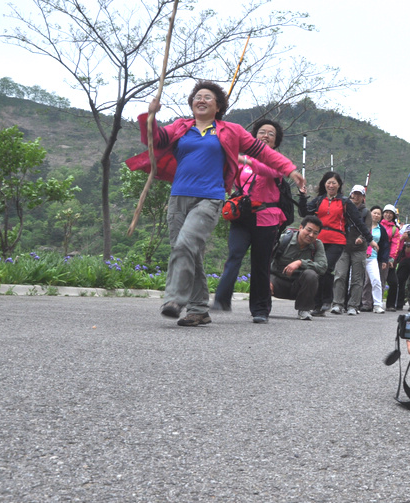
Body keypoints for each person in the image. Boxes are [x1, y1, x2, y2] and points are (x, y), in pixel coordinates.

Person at [126, 81, 305, 326]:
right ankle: (199, 309)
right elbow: (155, 140)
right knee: (191, 252)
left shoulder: (230, 130)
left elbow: (262, 152)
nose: (201, 100)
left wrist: (289, 169)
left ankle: (174, 299)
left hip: (210, 197)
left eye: (208, 97)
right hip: (178, 197)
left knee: (185, 244)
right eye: (197, 96)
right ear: (191, 103)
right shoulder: (181, 126)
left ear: (218, 106)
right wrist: (151, 116)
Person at [212, 119, 298, 323]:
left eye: (271, 134)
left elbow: (272, 171)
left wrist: (248, 161)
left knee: (260, 265)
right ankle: (222, 298)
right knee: (235, 255)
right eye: (261, 132)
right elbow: (229, 179)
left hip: (267, 219)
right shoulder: (242, 160)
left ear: (276, 142)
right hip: (243, 216)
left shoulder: (277, 161)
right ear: (254, 137)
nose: (265, 136)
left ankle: (260, 309)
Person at [298, 172, 372, 316]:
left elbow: (358, 221)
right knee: (317, 271)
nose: (331, 185)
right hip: (318, 240)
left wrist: (369, 239)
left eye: (334, 183)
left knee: (325, 268)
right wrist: (302, 196)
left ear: (339, 185)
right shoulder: (319, 200)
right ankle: (319, 305)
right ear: (324, 184)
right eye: (328, 182)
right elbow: (304, 212)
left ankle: (325, 301)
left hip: (337, 241)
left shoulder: (345, 202)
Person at [269, 216, 328, 320]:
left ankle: (304, 310)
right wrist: (266, 280)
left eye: (315, 233)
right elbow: (264, 260)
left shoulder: (317, 245)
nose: (311, 235)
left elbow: (322, 267)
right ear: (301, 227)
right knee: (262, 279)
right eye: (308, 230)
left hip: (298, 287)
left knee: (311, 274)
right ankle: (262, 307)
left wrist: (300, 263)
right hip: (276, 282)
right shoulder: (283, 240)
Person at [330, 184, 371, 316]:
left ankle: (353, 305)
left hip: (359, 249)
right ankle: (337, 303)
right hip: (343, 246)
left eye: (359, 194)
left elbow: (367, 228)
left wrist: (361, 237)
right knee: (340, 275)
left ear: (363, 197)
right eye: (354, 194)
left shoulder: (366, 212)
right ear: (351, 194)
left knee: (357, 278)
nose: (356, 196)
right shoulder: (344, 208)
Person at [363, 205, 390, 314]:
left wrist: (384, 260)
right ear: (370, 213)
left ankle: (377, 305)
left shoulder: (381, 229)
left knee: (376, 281)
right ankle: (352, 304)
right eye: (374, 213)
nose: (376, 215)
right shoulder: (363, 226)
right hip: (359, 256)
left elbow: (384, 246)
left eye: (379, 213)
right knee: (355, 280)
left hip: (373, 258)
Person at [380, 204, 403, 312]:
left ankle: (390, 304)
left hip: (388, 257)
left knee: (393, 282)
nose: (388, 215)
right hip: (375, 255)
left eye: (390, 213)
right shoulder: (377, 225)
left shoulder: (395, 229)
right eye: (386, 212)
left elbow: (395, 245)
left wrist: (392, 258)